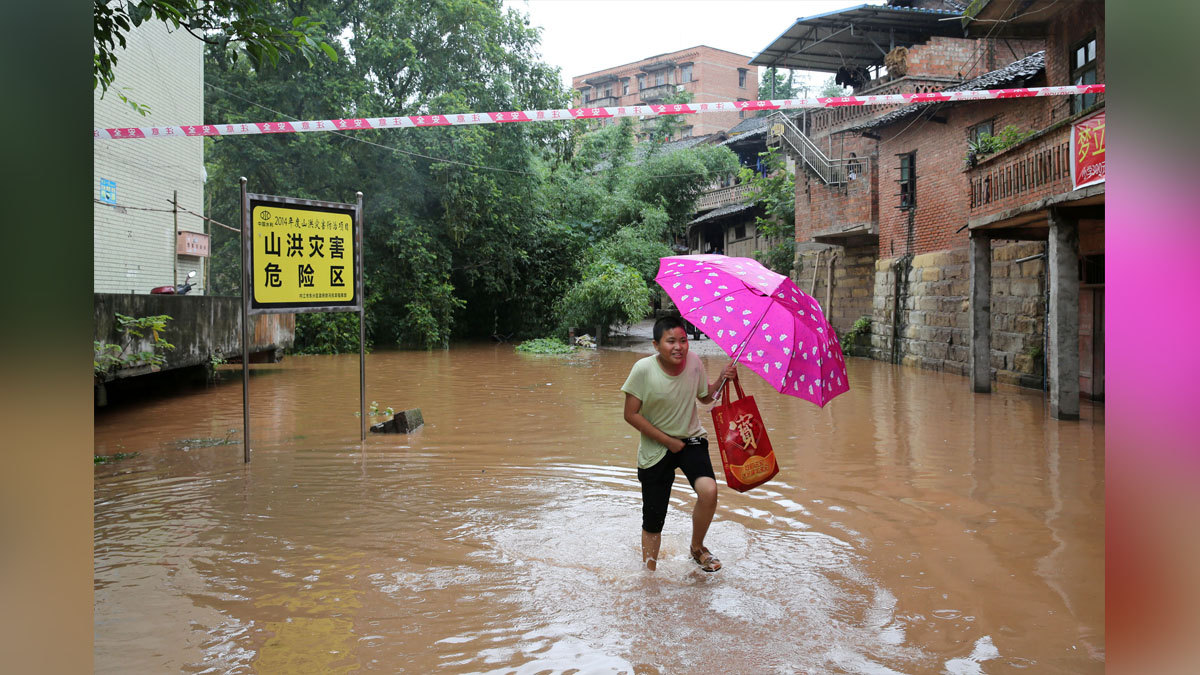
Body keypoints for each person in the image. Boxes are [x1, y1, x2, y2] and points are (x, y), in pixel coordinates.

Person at [621, 316, 738, 572]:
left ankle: (697, 549)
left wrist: (721, 379)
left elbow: (705, 397)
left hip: (691, 440)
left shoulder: (694, 362)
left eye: (683, 340)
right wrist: (667, 441)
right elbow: (631, 414)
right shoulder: (643, 370)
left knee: (709, 491)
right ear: (656, 345)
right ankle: (649, 575)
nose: (679, 347)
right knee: (653, 519)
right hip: (656, 447)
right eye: (671, 341)